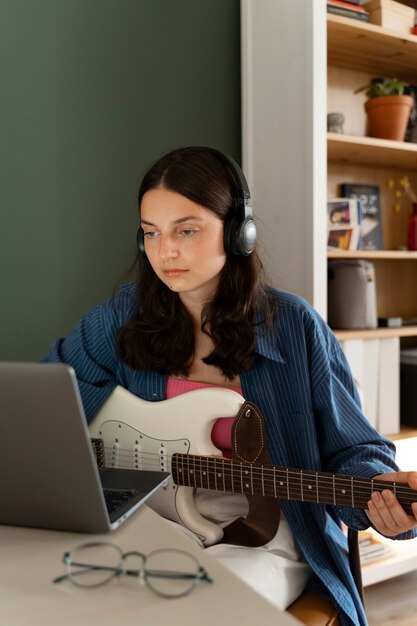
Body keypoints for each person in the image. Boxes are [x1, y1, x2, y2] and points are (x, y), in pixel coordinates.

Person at [44, 146, 417, 626]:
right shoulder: (123, 317)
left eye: (187, 230)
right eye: (151, 233)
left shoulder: (295, 327)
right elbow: (50, 397)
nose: (166, 251)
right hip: (151, 529)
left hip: (264, 538)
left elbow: (353, 449)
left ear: (240, 232)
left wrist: (381, 497)